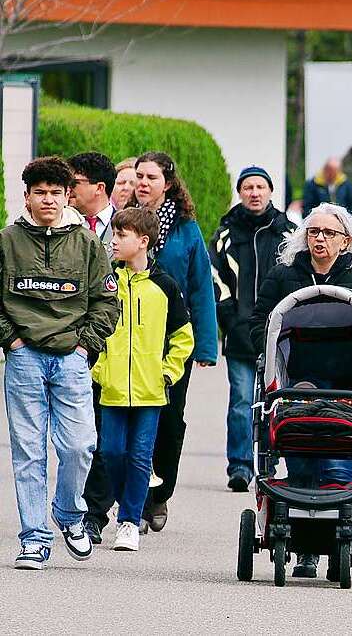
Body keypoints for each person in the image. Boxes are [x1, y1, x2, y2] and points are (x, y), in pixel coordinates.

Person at [251, 202, 352, 579]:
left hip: (349, 381)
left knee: (336, 453)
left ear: (345, 240)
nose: (319, 238)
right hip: (297, 377)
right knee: (298, 445)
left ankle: (337, 540)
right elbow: (259, 323)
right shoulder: (285, 276)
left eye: (328, 233)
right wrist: (266, 355)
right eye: (313, 232)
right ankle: (304, 547)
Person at [0, 156, 119, 570]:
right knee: (29, 452)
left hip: (72, 358)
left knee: (80, 446)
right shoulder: (7, 240)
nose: (47, 199)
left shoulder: (86, 243)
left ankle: (68, 513)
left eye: (55, 192)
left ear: (68, 196)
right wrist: (11, 341)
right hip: (24, 358)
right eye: (40, 193)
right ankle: (34, 538)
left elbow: (107, 300)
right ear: (27, 197)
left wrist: (86, 347)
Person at [91, 208, 195, 552]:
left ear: (143, 242)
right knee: (110, 453)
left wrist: (167, 372)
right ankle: (125, 503)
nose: (115, 241)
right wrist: (99, 370)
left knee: (139, 456)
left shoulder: (164, 285)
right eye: (115, 234)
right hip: (112, 388)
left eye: (122, 235)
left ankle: (129, 521)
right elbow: (92, 329)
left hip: (151, 392)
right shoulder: (107, 282)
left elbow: (183, 337)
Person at [131, 152, 218, 532]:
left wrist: (205, 346)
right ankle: (133, 495)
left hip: (172, 341)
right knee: (129, 417)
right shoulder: (124, 222)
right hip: (130, 337)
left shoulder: (186, 229)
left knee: (169, 418)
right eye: (138, 176)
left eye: (151, 177)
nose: (143, 183)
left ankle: (160, 493)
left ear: (167, 183)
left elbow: (201, 288)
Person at [209, 166, 295, 492]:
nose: (254, 192)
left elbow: (298, 277)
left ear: (270, 191)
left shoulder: (289, 232)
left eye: (260, 186)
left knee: (277, 401)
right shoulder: (225, 236)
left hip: (280, 335)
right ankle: (241, 466)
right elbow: (216, 281)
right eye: (248, 187)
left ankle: (270, 464)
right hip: (239, 334)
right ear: (240, 192)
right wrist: (230, 319)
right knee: (241, 402)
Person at [68, 152, 119, 544]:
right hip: (70, 343)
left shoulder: (125, 226)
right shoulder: (63, 226)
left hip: (118, 346)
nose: (68, 191)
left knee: (102, 434)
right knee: (78, 436)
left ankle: (95, 513)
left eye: (75, 183)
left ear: (98, 188)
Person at [68, 152, 117, 256]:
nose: (68, 188)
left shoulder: (130, 226)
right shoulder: (62, 224)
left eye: (74, 183)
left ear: (99, 188)